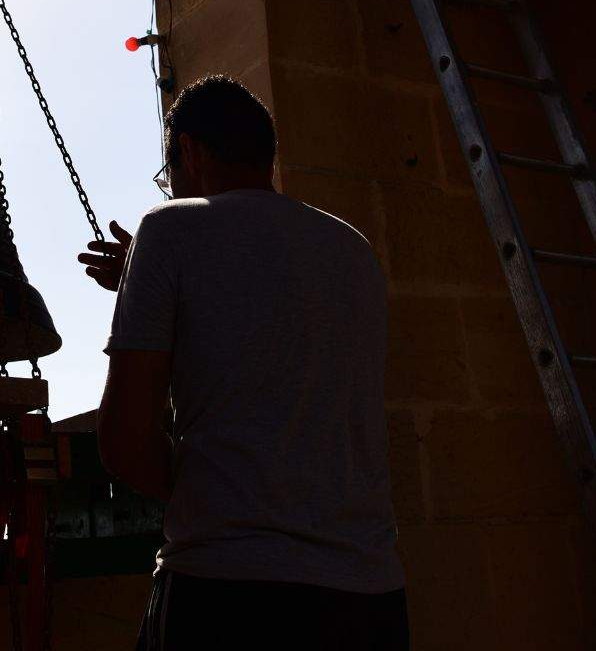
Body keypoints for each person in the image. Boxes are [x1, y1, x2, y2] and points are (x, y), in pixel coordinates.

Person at [77, 75, 408, 650]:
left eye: (170, 169)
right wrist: (151, 279)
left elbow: (125, 442)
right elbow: (265, 320)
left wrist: (214, 495)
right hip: (367, 600)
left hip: (226, 591)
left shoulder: (169, 228)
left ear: (189, 151)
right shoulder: (353, 251)